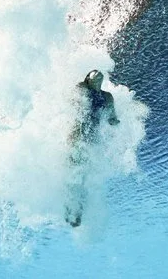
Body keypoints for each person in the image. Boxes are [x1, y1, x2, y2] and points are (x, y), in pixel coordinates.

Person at [65, 70, 119, 227]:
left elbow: (111, 116)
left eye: (100, 77)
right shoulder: (82, 88)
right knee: (71, 172)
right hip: (76, 136)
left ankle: (77, 212)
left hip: (91, 139)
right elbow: (74, 96)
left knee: (82, 176)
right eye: (94, 76)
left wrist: (114, 121)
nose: (98, 76)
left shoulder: (107, 97)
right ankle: (69, 207)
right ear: (88, 79)